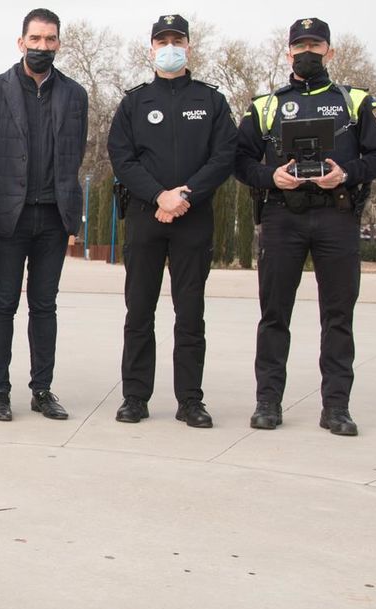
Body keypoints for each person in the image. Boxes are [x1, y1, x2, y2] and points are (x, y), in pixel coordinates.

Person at [235, 17, 376, 436]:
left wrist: (347, 173)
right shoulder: (266, 105)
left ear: (330, 51)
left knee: (338, 316)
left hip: (336, 215)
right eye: (300, 46)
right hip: (281, 217)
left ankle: (336, 407)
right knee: (274, 315)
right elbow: (238, 161)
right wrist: (271, 177)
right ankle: (268, 402)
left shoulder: (355, 101)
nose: (307, 52)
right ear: (287, 52)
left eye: (315, 45)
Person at [106, 14, 237, 428]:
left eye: (176, 41)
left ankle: (190, 401)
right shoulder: (135, 102)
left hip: (193, 219)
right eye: (162, 42)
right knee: (139, 311)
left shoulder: (211, 101)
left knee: (190, 314)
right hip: (146, 216)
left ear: (189, 47)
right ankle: (135, 397)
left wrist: (185, 195)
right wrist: (158, 196)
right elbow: (122, 157)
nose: (169, 48)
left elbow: (224, 156)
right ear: (151, 49)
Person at [0, 8, 88, 422]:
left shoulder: (75, 95)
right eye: (35, 39)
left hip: (53, 217)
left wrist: (71, 212)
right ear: (21, 42)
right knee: (3, 303)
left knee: (44, 305)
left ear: (59, 44)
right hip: (8, 217)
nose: (42, 46)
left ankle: (42, 390)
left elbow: (75, 153)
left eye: (49, 39)